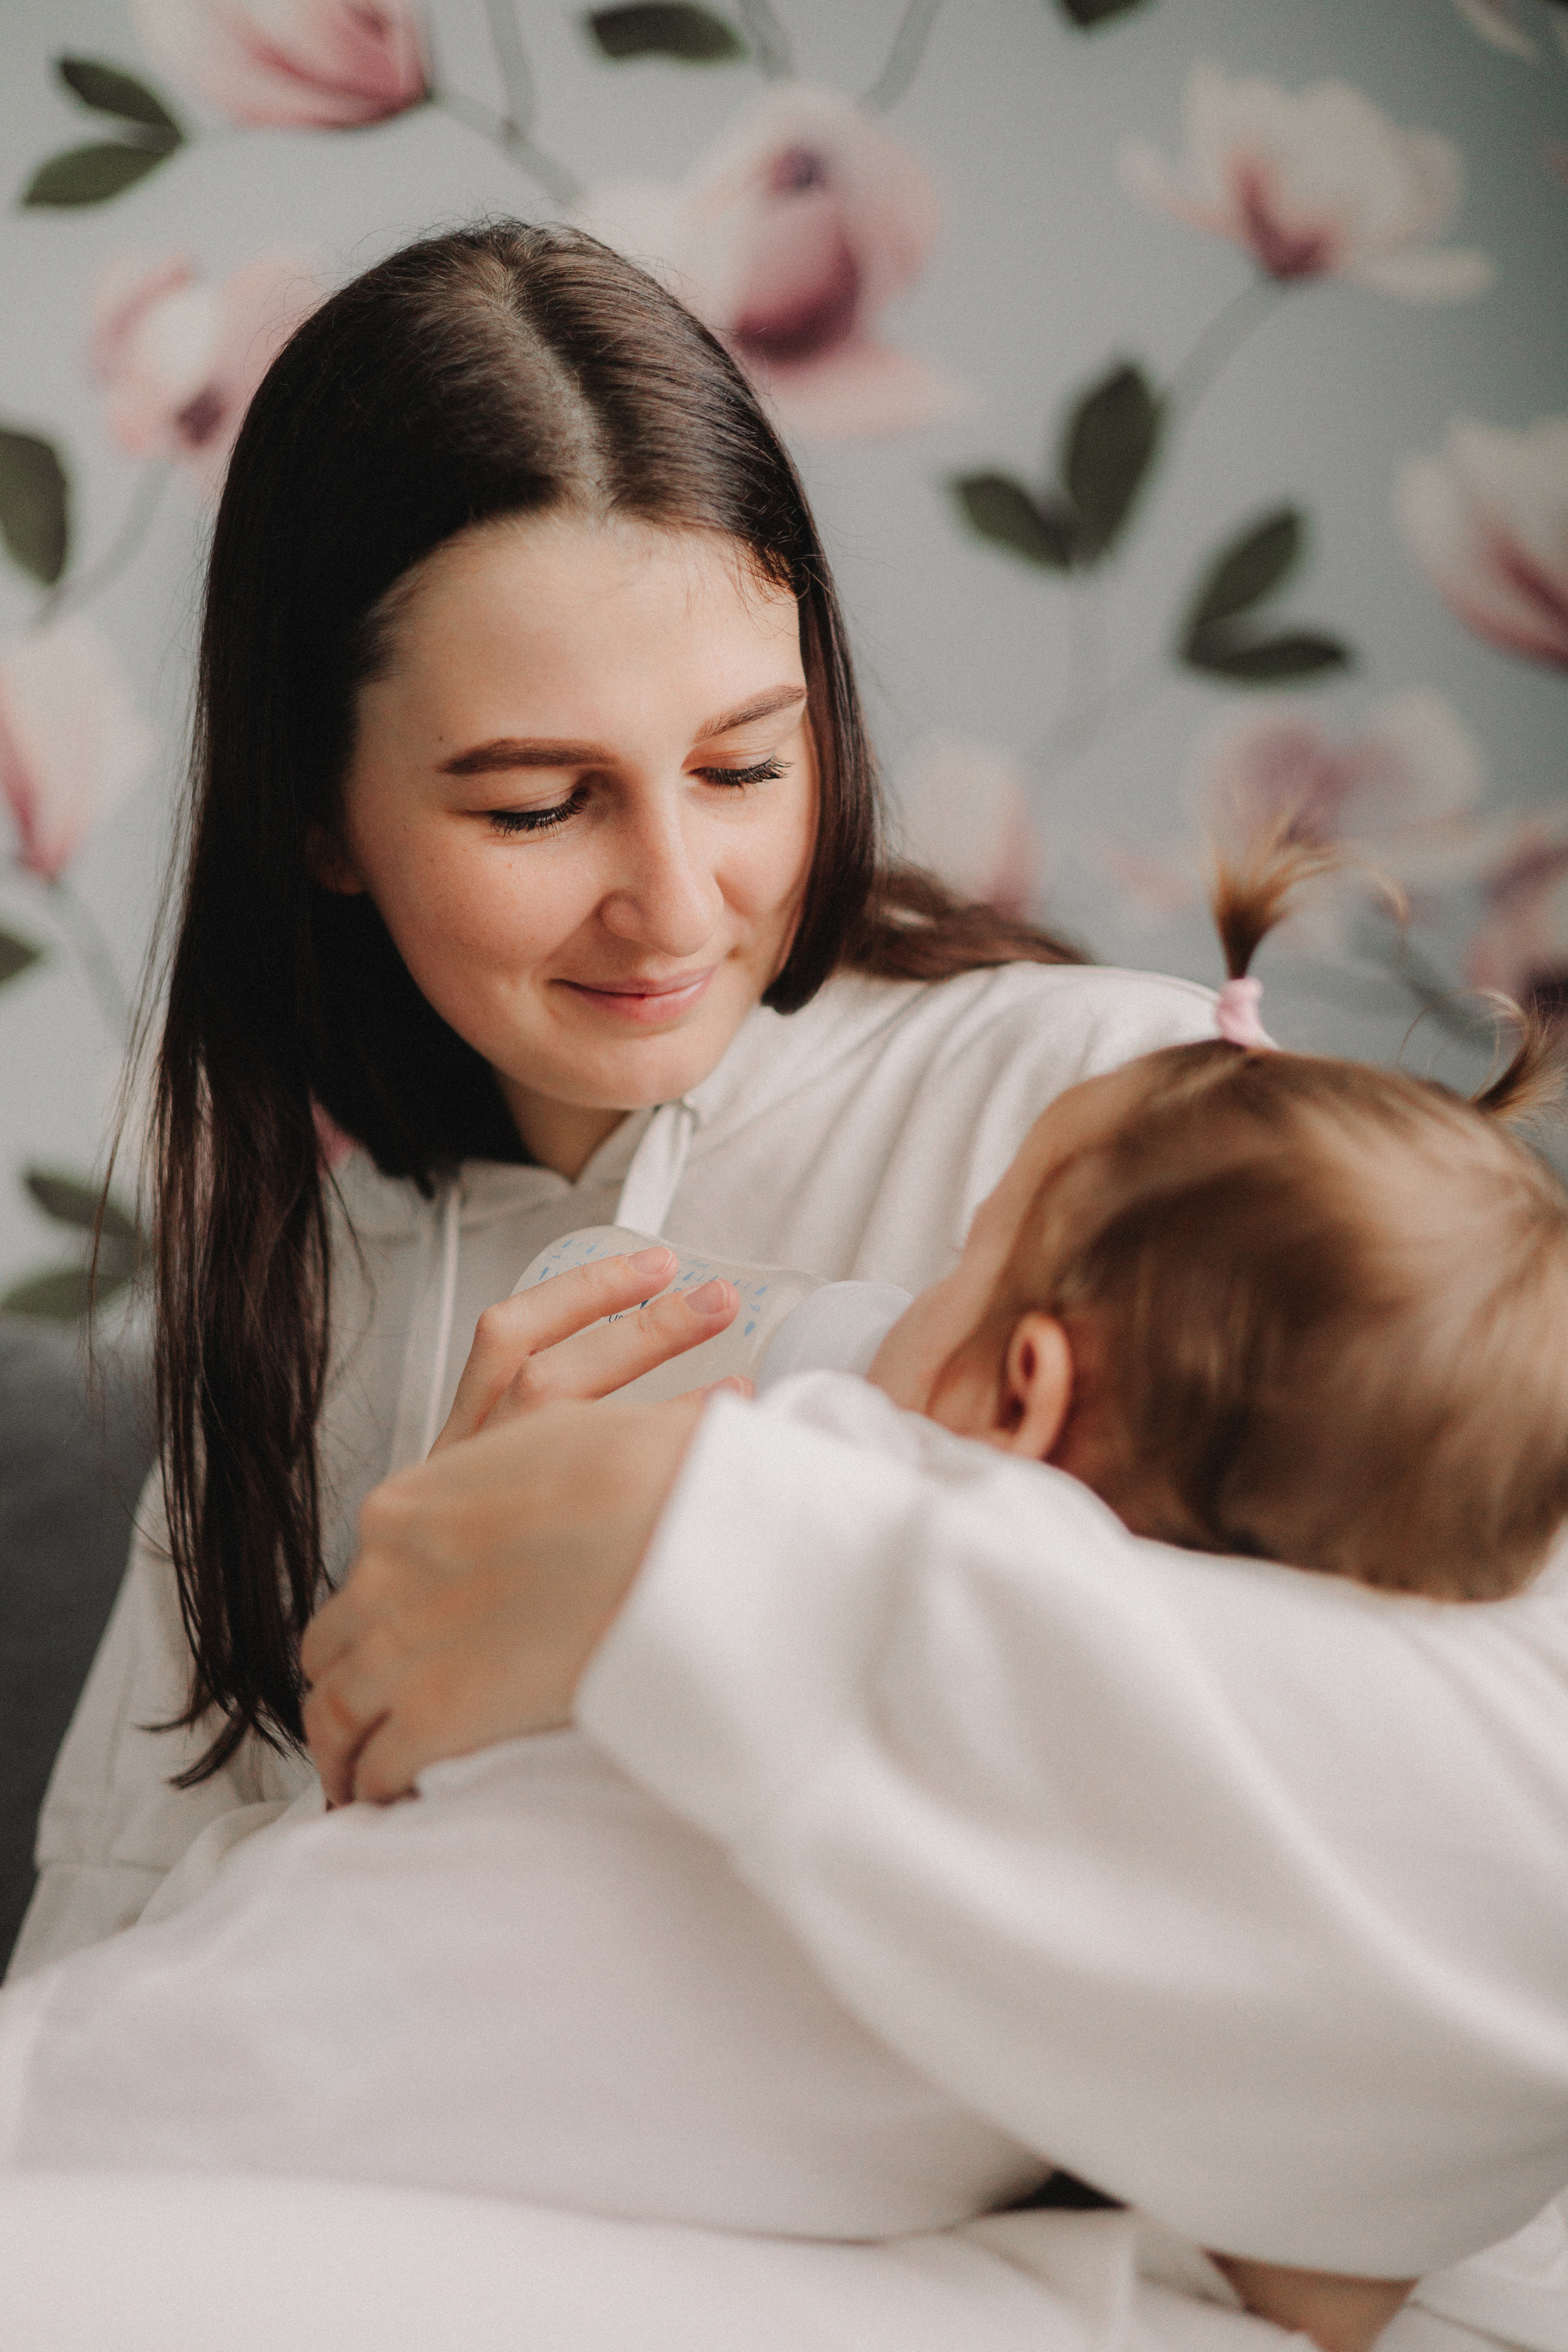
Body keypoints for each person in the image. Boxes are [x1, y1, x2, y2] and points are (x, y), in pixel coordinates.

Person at [4, 849, 1563, 2352]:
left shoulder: (848, 1486)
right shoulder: (1123, 1886)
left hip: (275, 2064)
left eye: (958, 1258)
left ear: (1026, 1387)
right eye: (531, 803)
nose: (670, 893)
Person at [10, 217, 1219, 1971]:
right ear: (322, 815)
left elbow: (1358, 1792)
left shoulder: (1109, 1110)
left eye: (744, 764)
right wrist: (409, 1646)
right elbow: (89, 2011)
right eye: (533, 806)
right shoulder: (308, 1298)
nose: (676, 899)